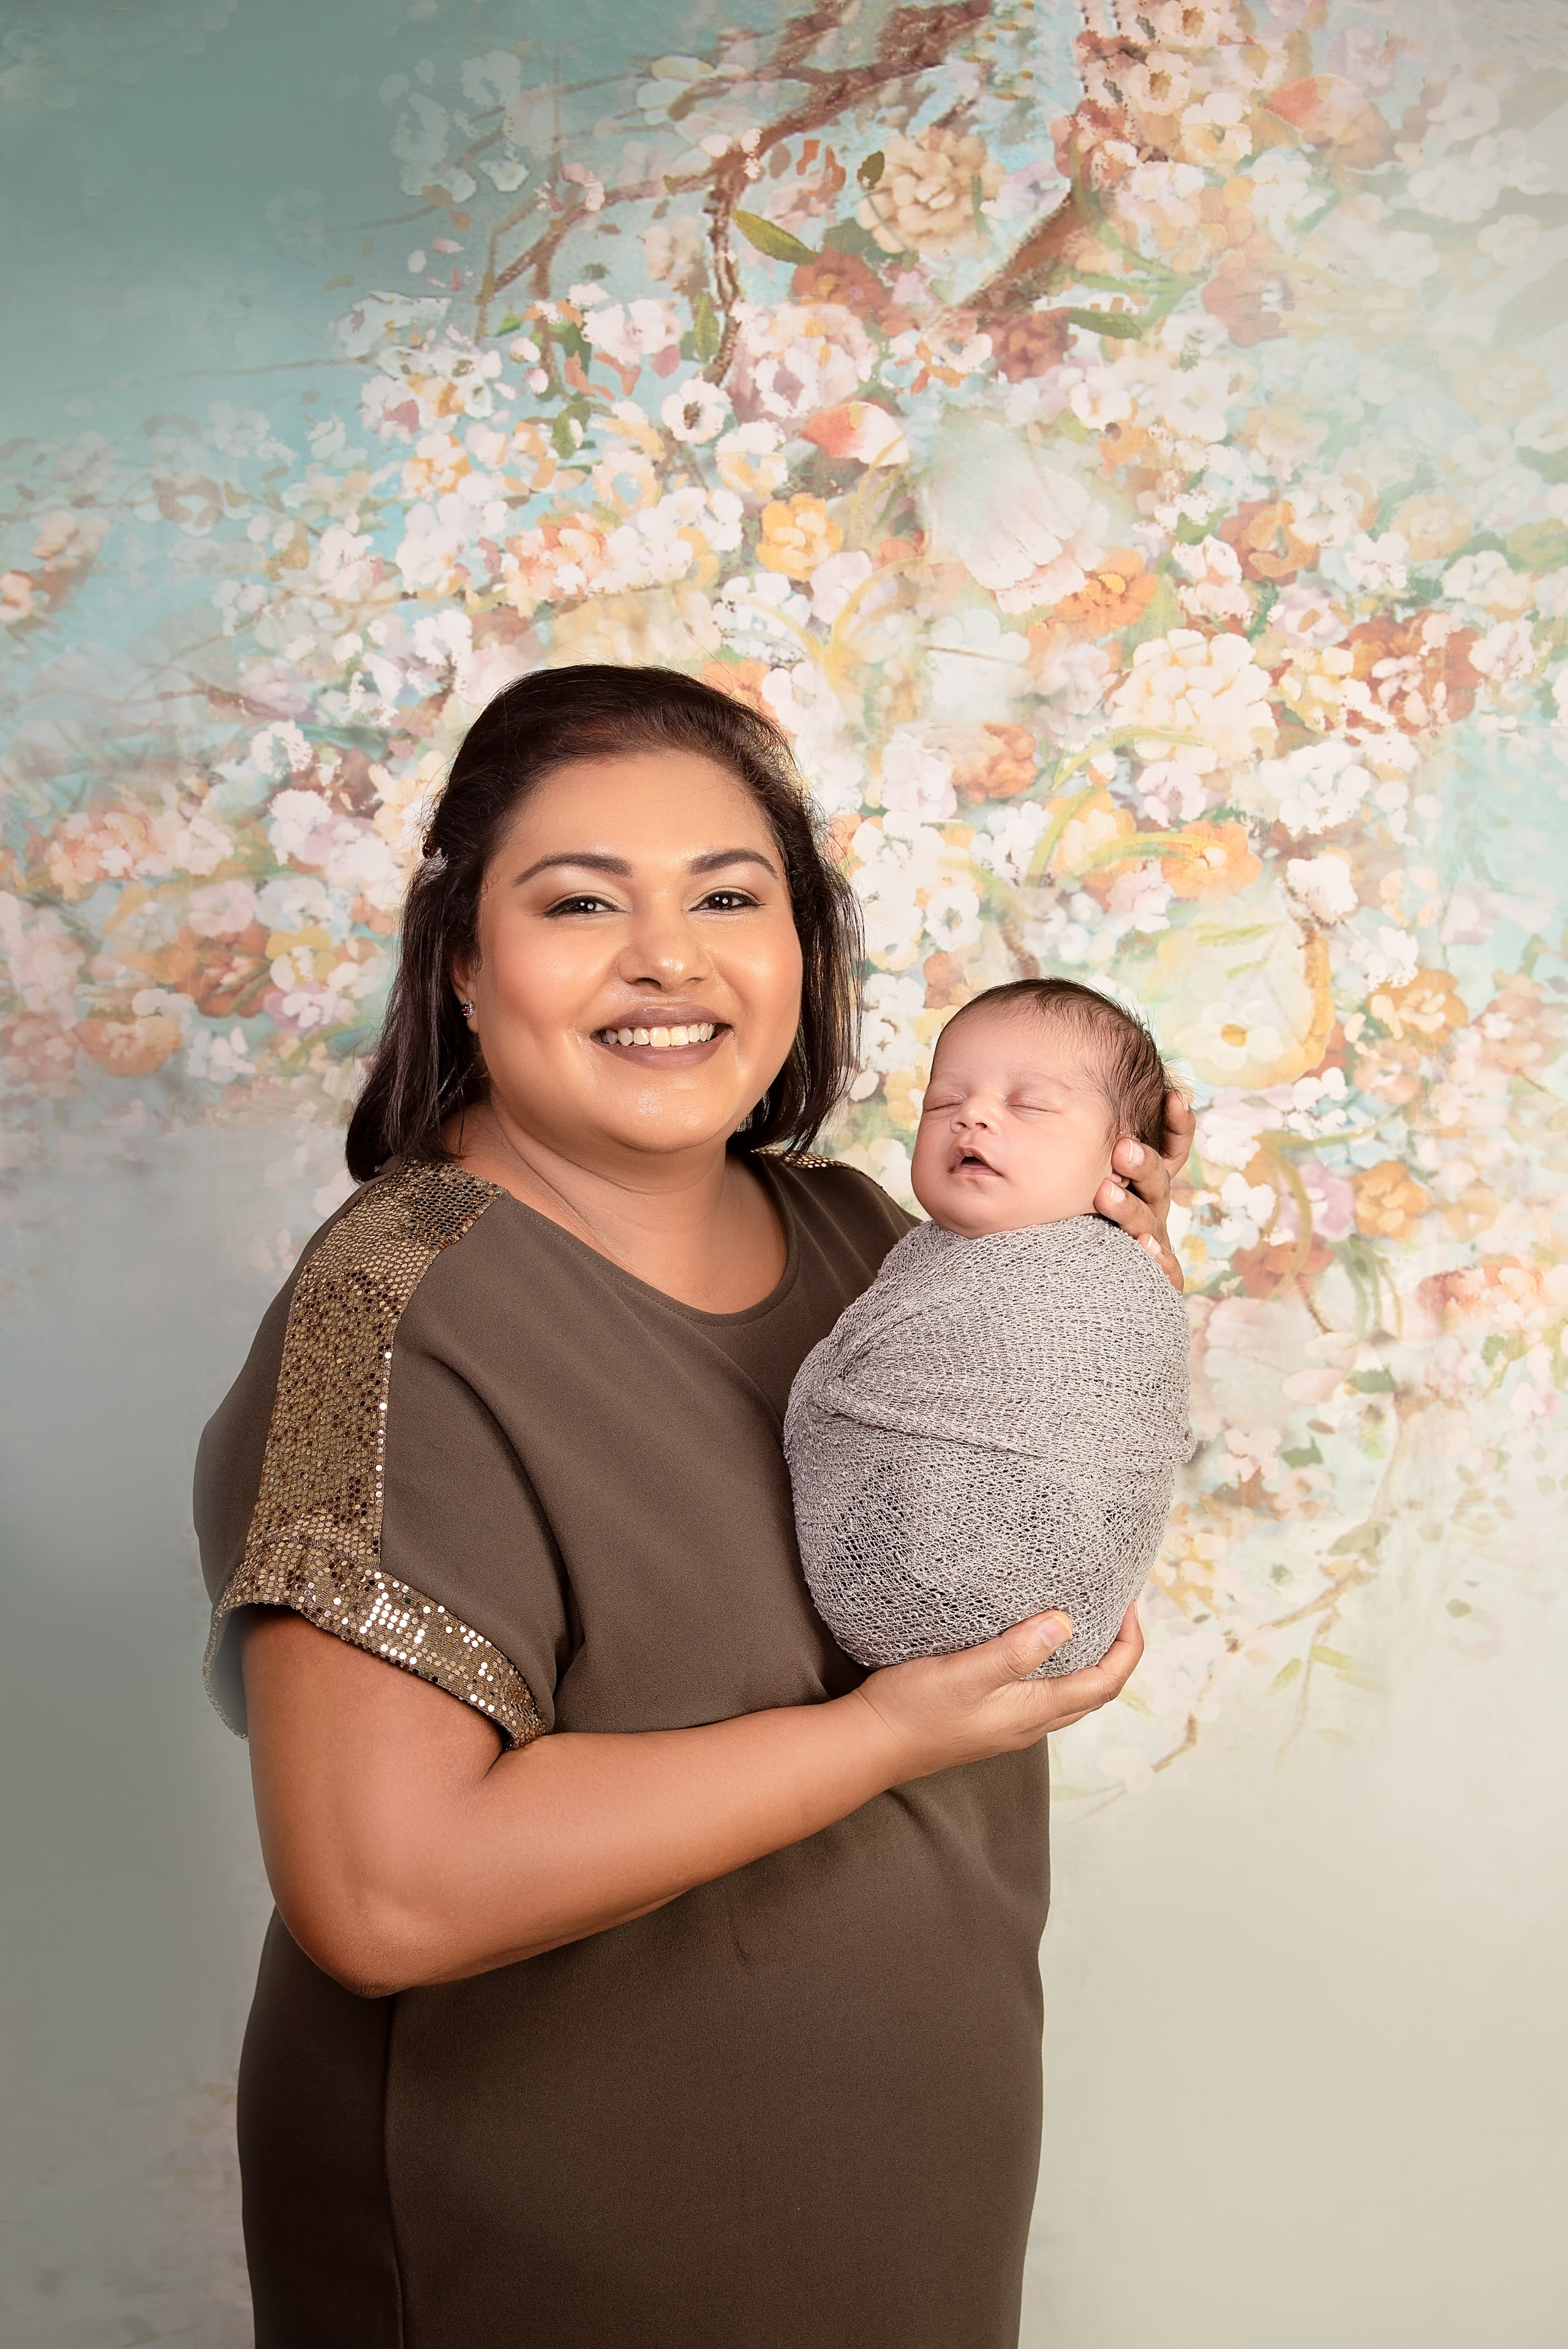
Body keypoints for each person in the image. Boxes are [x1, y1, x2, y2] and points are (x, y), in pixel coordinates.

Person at [195, 665, 1193, 2349]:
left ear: (801, 944)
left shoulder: (880, 1245)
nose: (669, 958)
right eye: (582, 901)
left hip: (902, 2228)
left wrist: (1104, 1301)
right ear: (461, 955)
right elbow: (387, 1894)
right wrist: (882, 1737)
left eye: (731, 896)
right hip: (547, 2262)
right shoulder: (395, 1320)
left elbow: (1026, 1553)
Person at [785, 978, 1193, 1682]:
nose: (969, 1116)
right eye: (943, 1101)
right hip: (900, 1563)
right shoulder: (915, 1255)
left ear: (1124, 1162)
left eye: (1028, 1105)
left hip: (1028, 1601)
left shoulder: (1108, 1287)